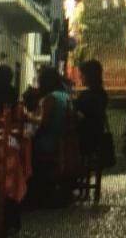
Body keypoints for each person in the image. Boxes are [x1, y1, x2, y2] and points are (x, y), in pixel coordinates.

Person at [29, 66, 71, 207]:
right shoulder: (65, 96)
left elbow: (44, 123)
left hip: (49, 141)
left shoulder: (50, 98)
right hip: (62, 141)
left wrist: (29, 119)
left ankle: (31, 194)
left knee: (25, 148)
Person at [74, 59, 110, 158]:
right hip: (98, 133)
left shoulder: (86, 96)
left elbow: (80, 114)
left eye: (82, 74)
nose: (80, 77)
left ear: (89, 76)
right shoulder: (102, 93)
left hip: (85, 136)